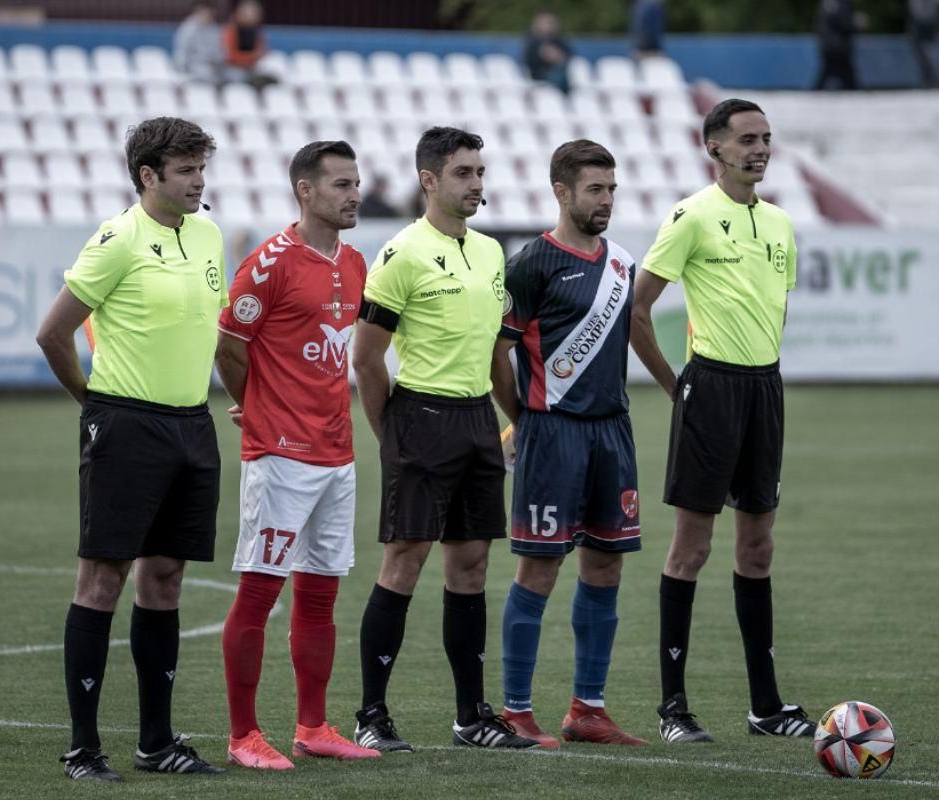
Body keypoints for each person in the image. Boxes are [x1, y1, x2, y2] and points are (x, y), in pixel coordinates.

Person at [35, 117, 227, 781]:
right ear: (148, 176)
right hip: (125, 424)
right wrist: (94, 404)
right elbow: (53, 333)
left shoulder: (207, 235)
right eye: (185, 169)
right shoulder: (117, 240)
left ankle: (156, 743)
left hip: (192, 426)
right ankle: (83, 749)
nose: (199, 180)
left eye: (202, 167)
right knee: (103, 579)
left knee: (166, 579)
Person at [629, 98, 814, 744]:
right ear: (715, 149)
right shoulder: (691, 217)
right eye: (746, 140)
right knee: (693, 547)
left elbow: (779, 311)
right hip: (708, 389)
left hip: (766, 390)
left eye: (766, 138)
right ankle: (673, 709)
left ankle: (766, 707)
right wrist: (675, 386)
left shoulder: (784, 225)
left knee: (758, 547)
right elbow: (638, 308)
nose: (759, 149)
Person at [351, 126, 538, 752]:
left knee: (472, 565)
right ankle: (371, 716)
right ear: (429, 180)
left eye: (480, 172)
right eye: (463, 173)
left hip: (477, 423)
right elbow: (367, 359)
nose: (477, 184)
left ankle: (470, 717)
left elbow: (494, 355)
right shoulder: (401, 253)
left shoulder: (490, 253)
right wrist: (390, 433)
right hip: (420, 420)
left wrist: (519, 417)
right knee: (404, 563)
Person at [215, 140, 380, 770]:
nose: (353, 194)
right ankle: (242, 736)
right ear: (305, 190)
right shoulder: (268, 263)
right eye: (340, 184)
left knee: (320, 594)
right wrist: (258, 406)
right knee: (259, 592)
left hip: (337, 452)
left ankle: (312, 725)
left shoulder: (356, 261)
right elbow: (230, 347)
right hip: (280, 456)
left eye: (356, 182)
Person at [491, 139, 649, 750]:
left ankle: (589, 709)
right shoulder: (531, 263)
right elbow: (496, 356)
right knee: (540, 567)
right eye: (594, 190)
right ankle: (516, 711)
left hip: (613, 431)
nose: (606, 200)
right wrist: (525, 417)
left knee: (606, 565)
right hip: (551, 435)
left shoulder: (622, 264)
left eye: (611, 189)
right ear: (561, 191)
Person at [222, 0, 278, 88]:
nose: (253, 16)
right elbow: (230, 56)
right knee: (237, 77)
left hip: (252, 69)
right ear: (240, 14)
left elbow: (263, 51)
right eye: (250, 13)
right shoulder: (231, 31)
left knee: (273, 77)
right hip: (233, 69)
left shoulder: (257, 32)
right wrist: (252, 57)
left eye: (255, 14)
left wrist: (255, 58)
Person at [173, 0, 224, 83]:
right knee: (205, 73)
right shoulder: (187, 29)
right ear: (197, 12)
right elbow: (181, 53)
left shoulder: (214, 30)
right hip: (192, 67)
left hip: (212, 68)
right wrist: (182, 69)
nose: (206, 15)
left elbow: (219, 53)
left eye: (208, 13)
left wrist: (218, 62)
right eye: (203, 12)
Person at [813, 0, 859, 90]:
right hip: (838, 46)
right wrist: (856, 24)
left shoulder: (825, 2)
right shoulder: (842, 2)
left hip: (826, 44)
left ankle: (814, 92)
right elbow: (844, 23)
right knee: (846, 74)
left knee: (830, 71)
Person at [523, 9, 571, 94]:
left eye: (552, 23)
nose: (549, 26)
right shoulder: (533, 41)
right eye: (546, 22)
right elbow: (547, 55)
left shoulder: (559, 40)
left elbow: (567, 56)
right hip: (539, 77)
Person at [908, 0, 939, 88]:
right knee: (923, 57)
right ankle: (928, 81)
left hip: (928, 31)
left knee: (930, 56)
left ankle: (935, 81)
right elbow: (918, 14)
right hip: (919, 31)